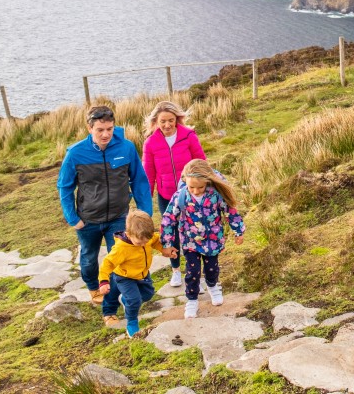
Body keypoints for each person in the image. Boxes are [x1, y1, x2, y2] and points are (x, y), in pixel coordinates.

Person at [57, 105, 153, 320]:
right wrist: (73, 218)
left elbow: (139, 180)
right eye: (100, 129)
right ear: (89, 127)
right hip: (88, 219)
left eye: (109, 129)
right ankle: (93, 286)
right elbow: (64, 186)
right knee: (89, 259)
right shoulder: (75, 153)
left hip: (119, 217)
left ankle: (110, 307)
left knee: (118, 262)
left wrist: (144, 213)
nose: (105, 134)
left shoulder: (126, 148)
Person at [161, 159, 245, 318]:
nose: (196, 191)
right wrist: (166, 243)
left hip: (212, 240)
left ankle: (213, 286)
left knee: (212, 268)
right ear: (185, 180)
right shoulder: (181, 196)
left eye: (200, 187)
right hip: (189, 240)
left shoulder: (216, 195)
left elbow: (230, 212)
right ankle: (192, 300)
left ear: (208, 182)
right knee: (192, 271)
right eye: (191, 186)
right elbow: (168, 218)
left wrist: (238, 231)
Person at [142, 101, 207, 287]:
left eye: (171, 120)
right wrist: (147, 203)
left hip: (190, 193)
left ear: (177, 119)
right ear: (156, 121)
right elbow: (149, 174)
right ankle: (176, 270)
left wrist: (206, 188)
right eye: (163, 121)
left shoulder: (189, 136)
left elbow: (201, 162)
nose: (167, 125)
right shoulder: (151, 143)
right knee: (170, 234)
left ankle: (197, 274)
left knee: (195, 231)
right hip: (166, 196)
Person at [98, 210, 176, 337]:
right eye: (140, 243)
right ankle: (132, 323)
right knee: (134, 301)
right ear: (129, 234)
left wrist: (164, 250)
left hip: (143, 275)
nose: (144, 244)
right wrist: (104, 281)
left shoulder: (146, 237)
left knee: (148, 294)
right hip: (125, 277)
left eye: (146, 242)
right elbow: (107, 263)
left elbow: (155, 241)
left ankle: (125, 300)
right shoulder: (121, 248)